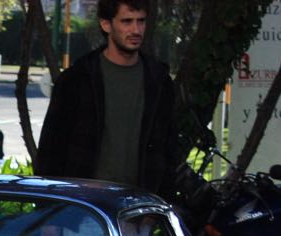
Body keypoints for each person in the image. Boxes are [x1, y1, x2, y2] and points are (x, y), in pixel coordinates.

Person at [36, 0, 179, 197]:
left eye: (141, 21)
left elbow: (169, 150)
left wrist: (161, 200)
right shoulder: (78, 79)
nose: (136, 30)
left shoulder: (159, 81)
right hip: (84, 204)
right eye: (127, 21)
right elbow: (51, 150)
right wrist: (54, 206)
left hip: (140, 205)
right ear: (106, 24)